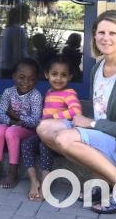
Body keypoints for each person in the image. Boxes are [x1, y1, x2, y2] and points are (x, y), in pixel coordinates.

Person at [37, 10, 116, 214]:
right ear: (94, 36)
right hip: (109, 135)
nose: (106, 38)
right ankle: (106, 181)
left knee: (65, 139)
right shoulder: (98, 68)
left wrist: (91, 124)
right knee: (44, 128)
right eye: (101, 32)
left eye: (113, 33)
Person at [21, 56, 82, 201]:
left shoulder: (69, 93)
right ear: (47, 74)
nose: (58, 78)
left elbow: (76, 111)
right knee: (26, 144)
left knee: (44, 146)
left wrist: (55, 116)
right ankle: (34, 181)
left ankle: (45, 183)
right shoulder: (49, 92)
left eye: (63, 75)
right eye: (54, 74)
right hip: (45, 133)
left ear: (70, 77)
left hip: (58, 136)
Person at [0, 58, 42, 188]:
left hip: (28, 131)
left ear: (36, 80)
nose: (26, 82)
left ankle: (13, 171)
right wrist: (12, 120)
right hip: (12, 124)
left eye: (31, 79)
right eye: (22, 77)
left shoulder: (35, 96)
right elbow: (0, 113)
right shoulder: (8, 92)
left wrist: (17, 117)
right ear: (14, 77)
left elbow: (35, 120)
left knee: (11, 132)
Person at [0, 3, 30, 78]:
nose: (29, 17)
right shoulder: (17, 30)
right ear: (23, 15)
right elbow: (17, 55)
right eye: (28, 14)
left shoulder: (8, 29)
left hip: (4, 68)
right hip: (11, 70)